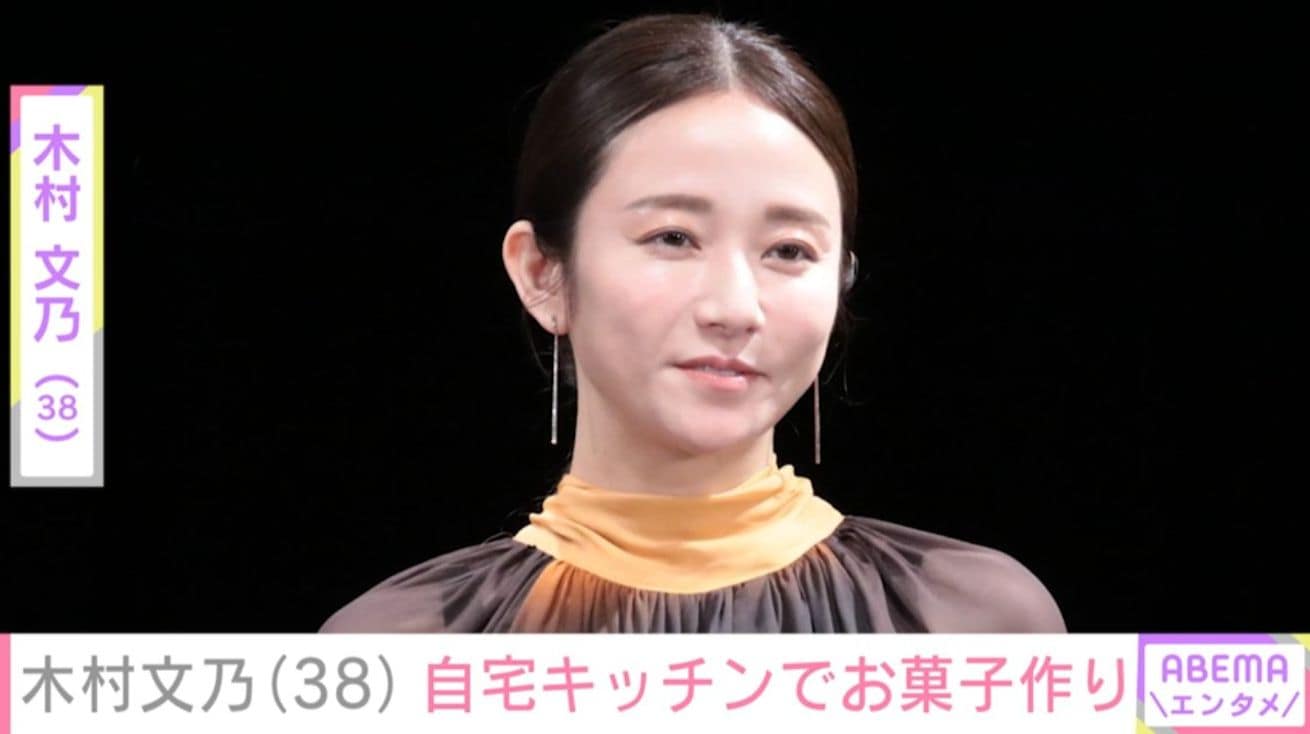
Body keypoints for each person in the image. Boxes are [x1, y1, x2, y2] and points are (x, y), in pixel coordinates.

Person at [319, 12, 1066, 633]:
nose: (734, 308)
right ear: (543, 272)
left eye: (789, 250)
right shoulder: (402, 653)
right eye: (672, 237)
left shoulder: (969, 623)